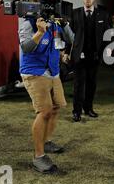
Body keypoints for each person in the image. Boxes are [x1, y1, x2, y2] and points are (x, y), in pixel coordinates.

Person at [19, 12, 74, 173]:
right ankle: (38, 156)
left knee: (56, 107)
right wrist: (39, 33)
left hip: (53, 71)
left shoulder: (55, 23)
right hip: (35, 71)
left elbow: (72, 40)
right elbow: (25, 48)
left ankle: (47, 141)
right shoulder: (28, 23)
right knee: (44, 111)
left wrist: (65, 24)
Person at [69, 0, 110, 121]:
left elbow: (107, 35)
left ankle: (88, 109)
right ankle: (77, 111)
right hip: (79, 56)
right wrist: (66, 52)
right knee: (78, 85)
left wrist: (105, 52)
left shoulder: (103, 15)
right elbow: (69, 35)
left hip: (94, 56)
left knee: (92, 84)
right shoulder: (74, 13)